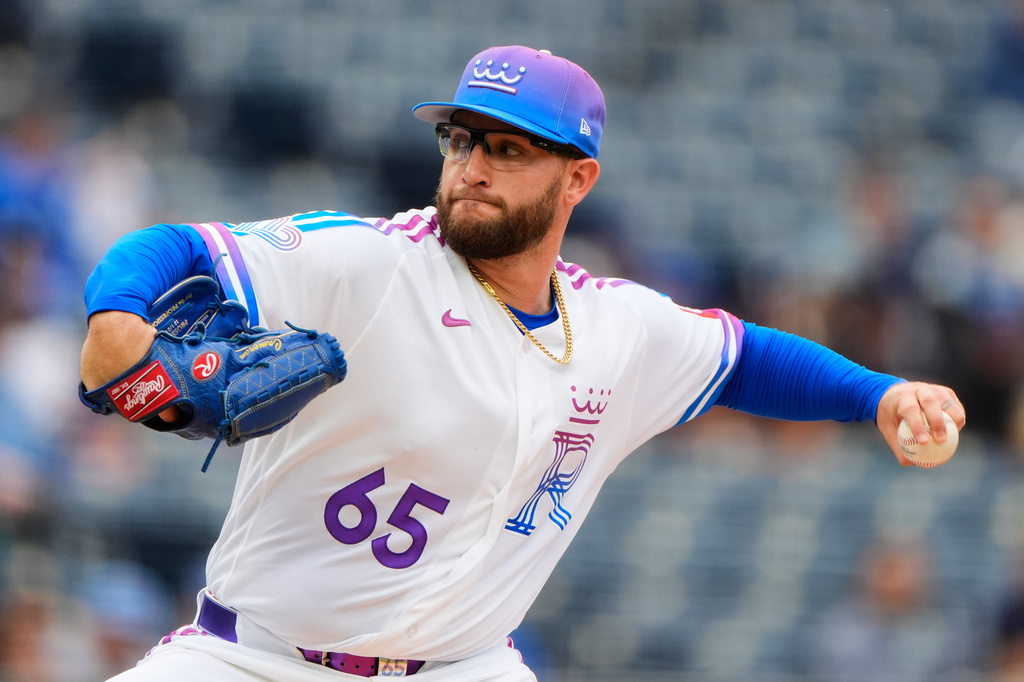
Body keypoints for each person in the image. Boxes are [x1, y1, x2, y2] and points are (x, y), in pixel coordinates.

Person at [79, 45, 965, 682]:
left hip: (465, 668)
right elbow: (174, 247)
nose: (472, 167)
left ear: (577, 179)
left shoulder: (618, 328)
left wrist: (880, 395)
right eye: (462, 141)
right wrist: (118, 313)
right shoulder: (375, 263)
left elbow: (743, 358)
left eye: (508, 148)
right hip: (254, 659)